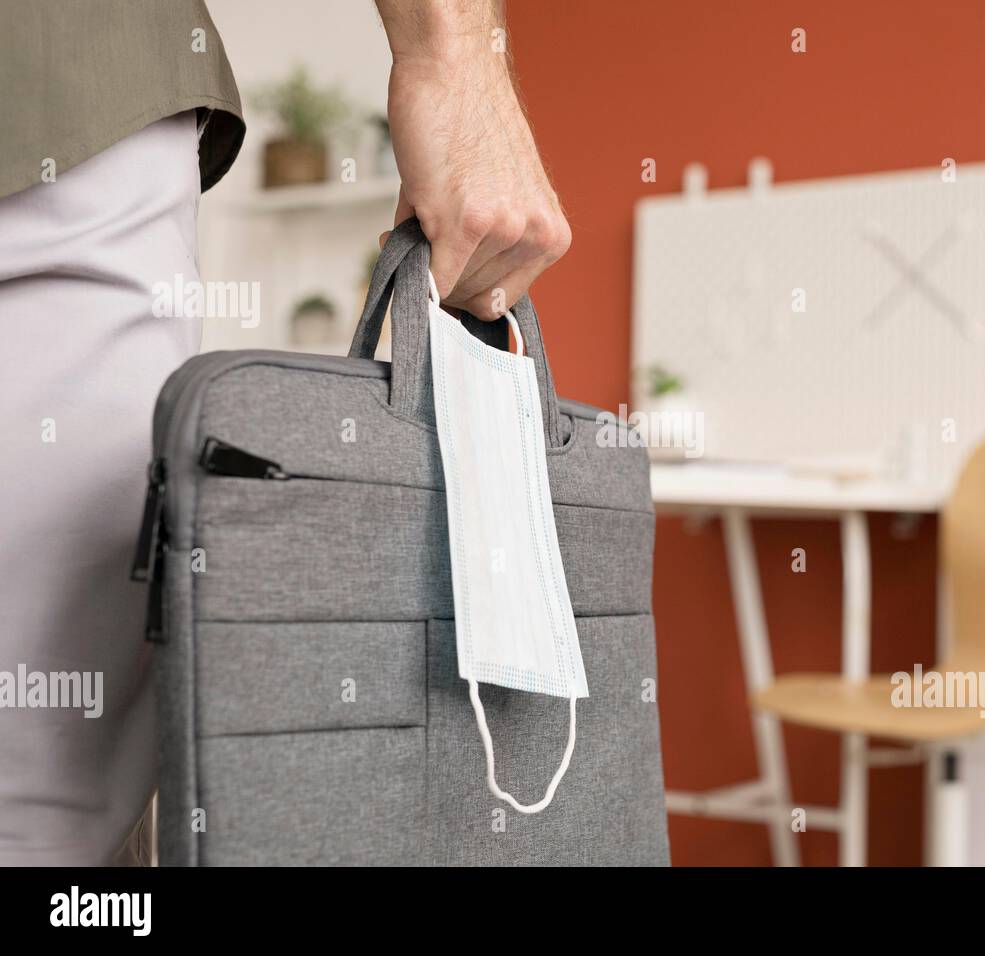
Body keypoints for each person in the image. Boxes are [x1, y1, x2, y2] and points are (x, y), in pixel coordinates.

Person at [0, 0, 570, 865]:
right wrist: (455, 58)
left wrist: (456, 59)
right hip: (62, 97)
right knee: (36, 815)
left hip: (52, 92)